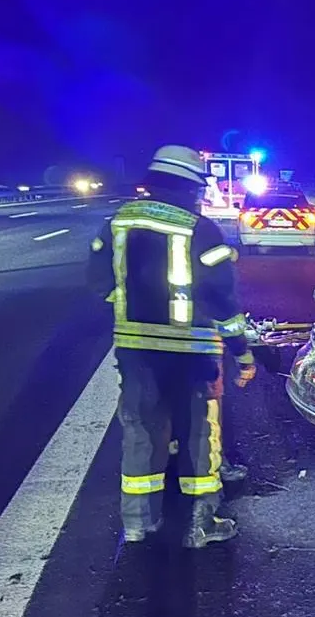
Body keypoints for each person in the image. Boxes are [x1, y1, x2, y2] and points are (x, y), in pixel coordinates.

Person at [86, 144, 257, 548]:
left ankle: (137, 523)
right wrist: (242, 352)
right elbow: (223, 301)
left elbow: (99, 284)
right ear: (187, 187)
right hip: (193, 353)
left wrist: (134, 312)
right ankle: (202, 522)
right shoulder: (201, 230)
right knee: (201, 433)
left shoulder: (117, 222)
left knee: (141, 429)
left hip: (137, 350)